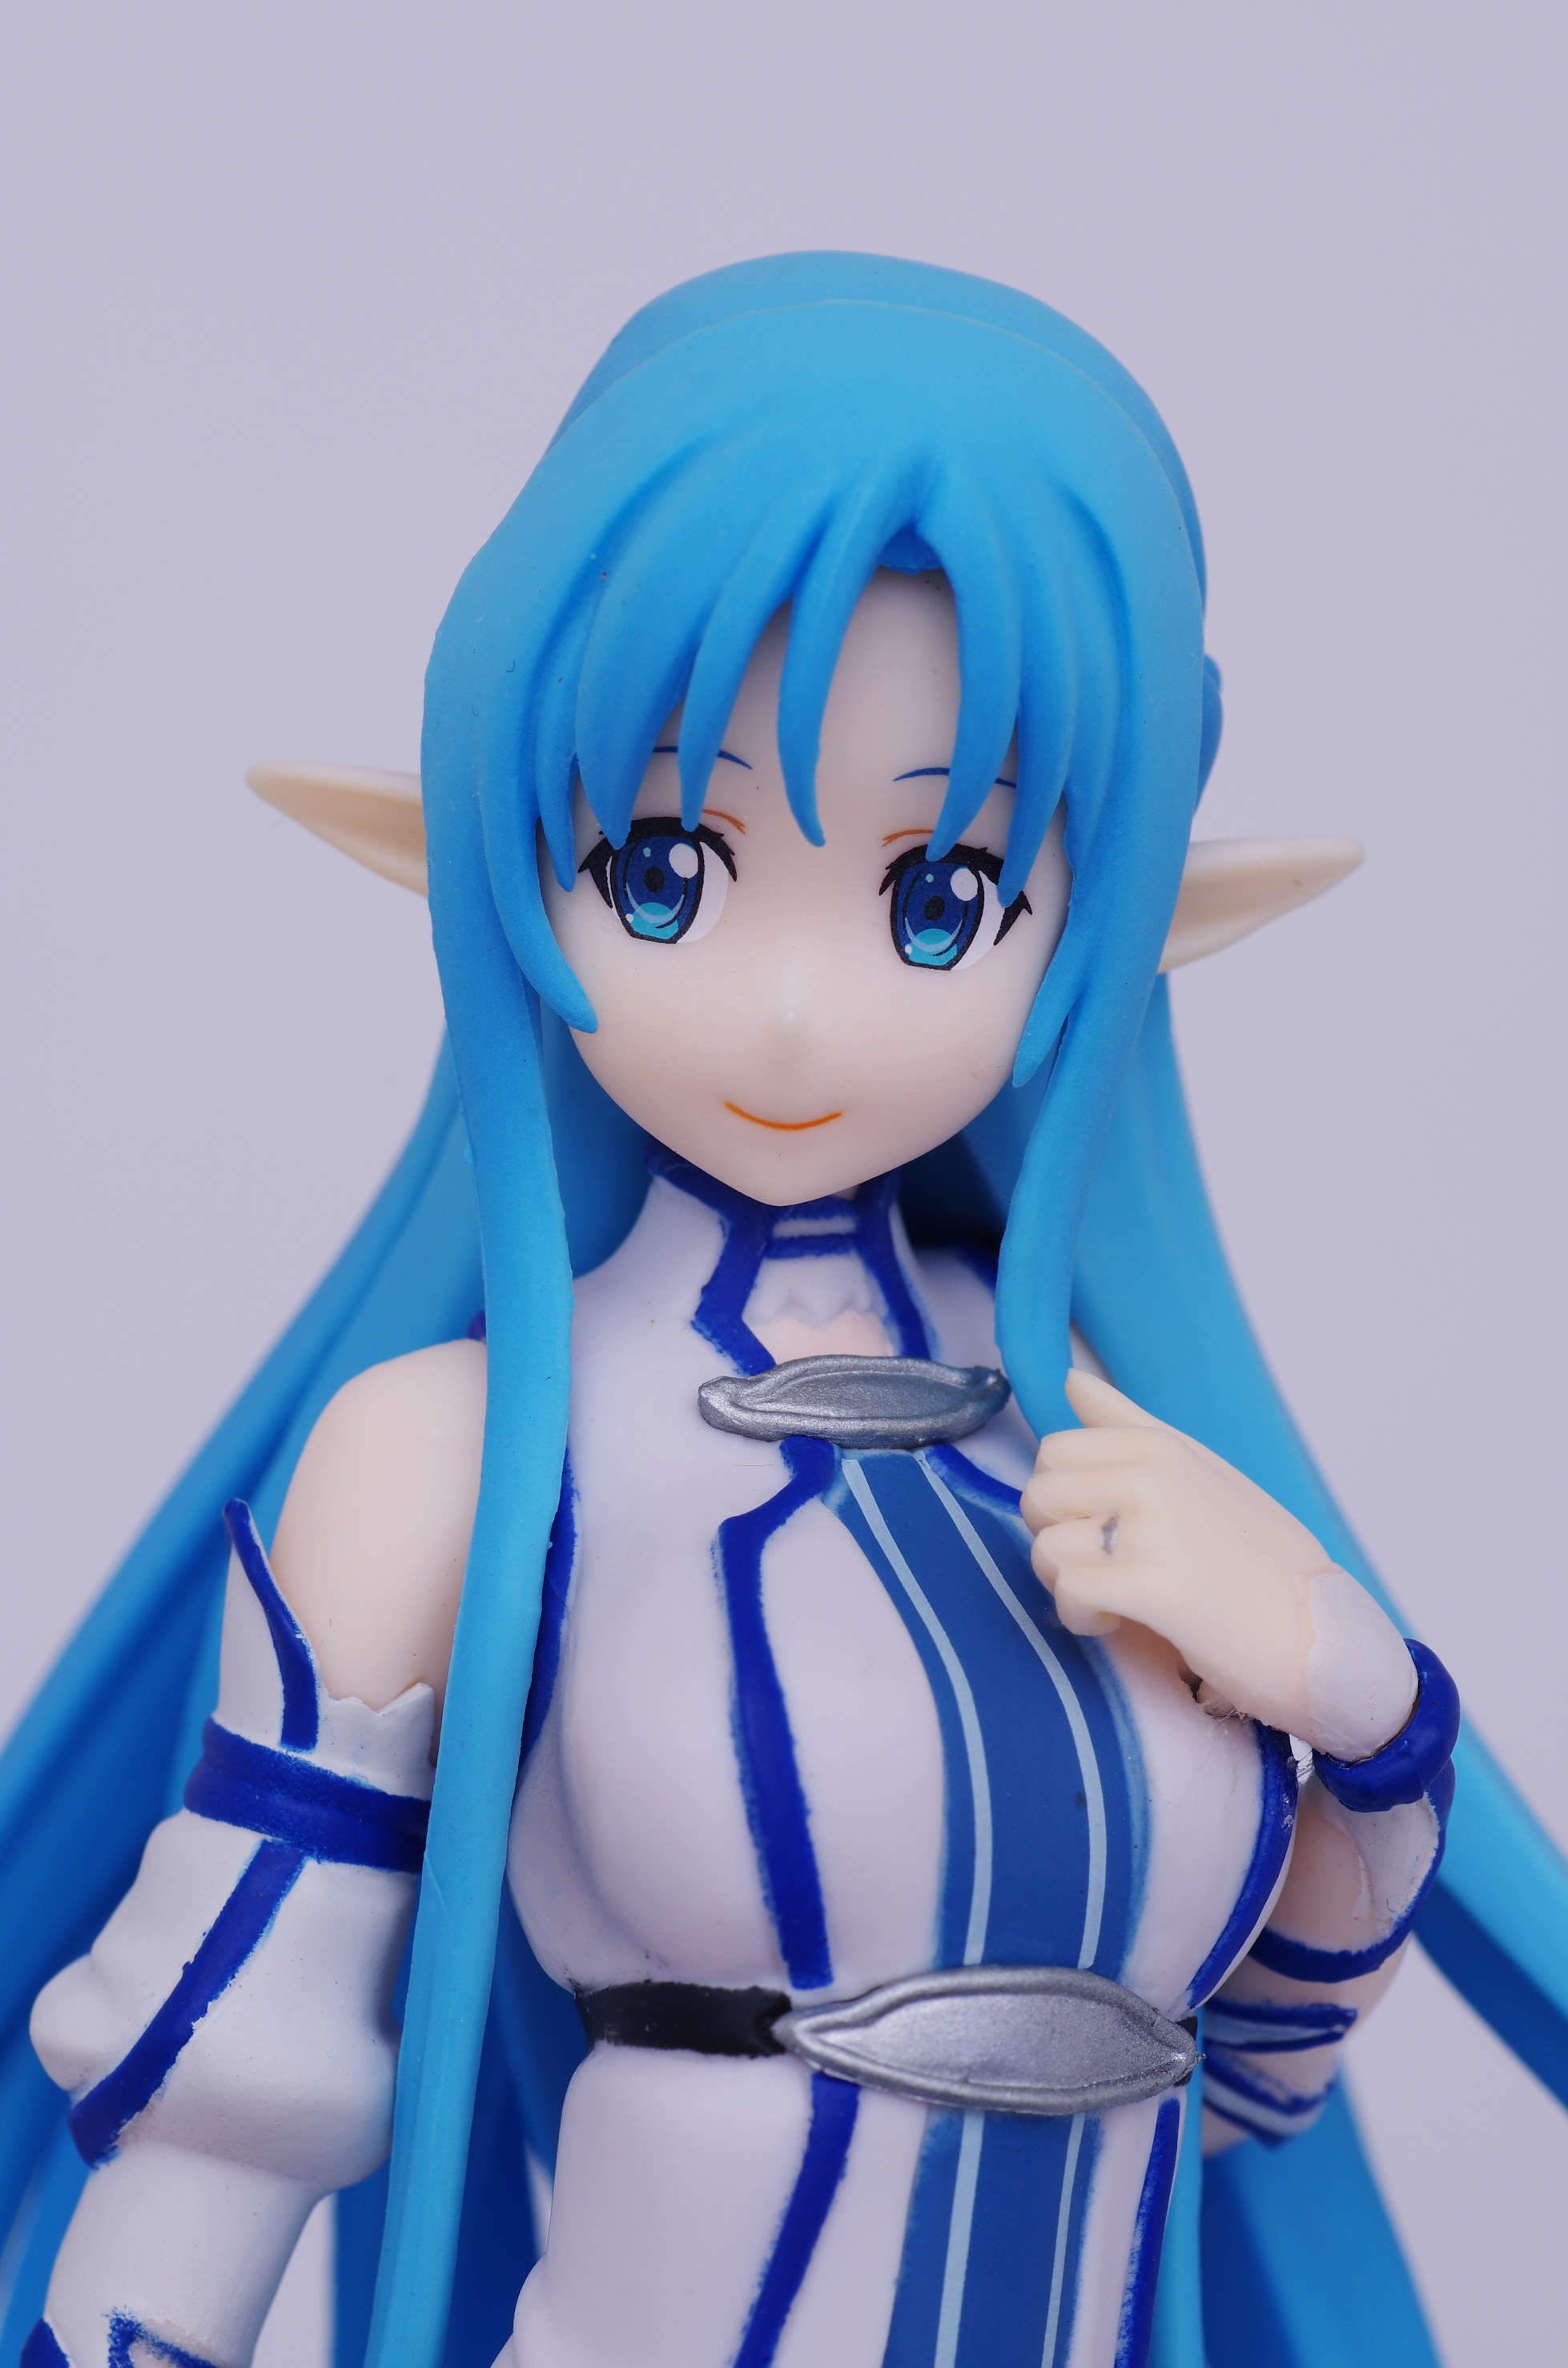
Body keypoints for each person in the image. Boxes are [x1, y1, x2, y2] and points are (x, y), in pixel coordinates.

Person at [1, 255, 1562, 2368]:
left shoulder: (1104, 1441)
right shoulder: (456, 1454)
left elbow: (1243, 2089)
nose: (800, 1012)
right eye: (667, 871)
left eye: (943, 897)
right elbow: (228, 2096)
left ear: (1099, 925)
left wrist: (1366, 1719)